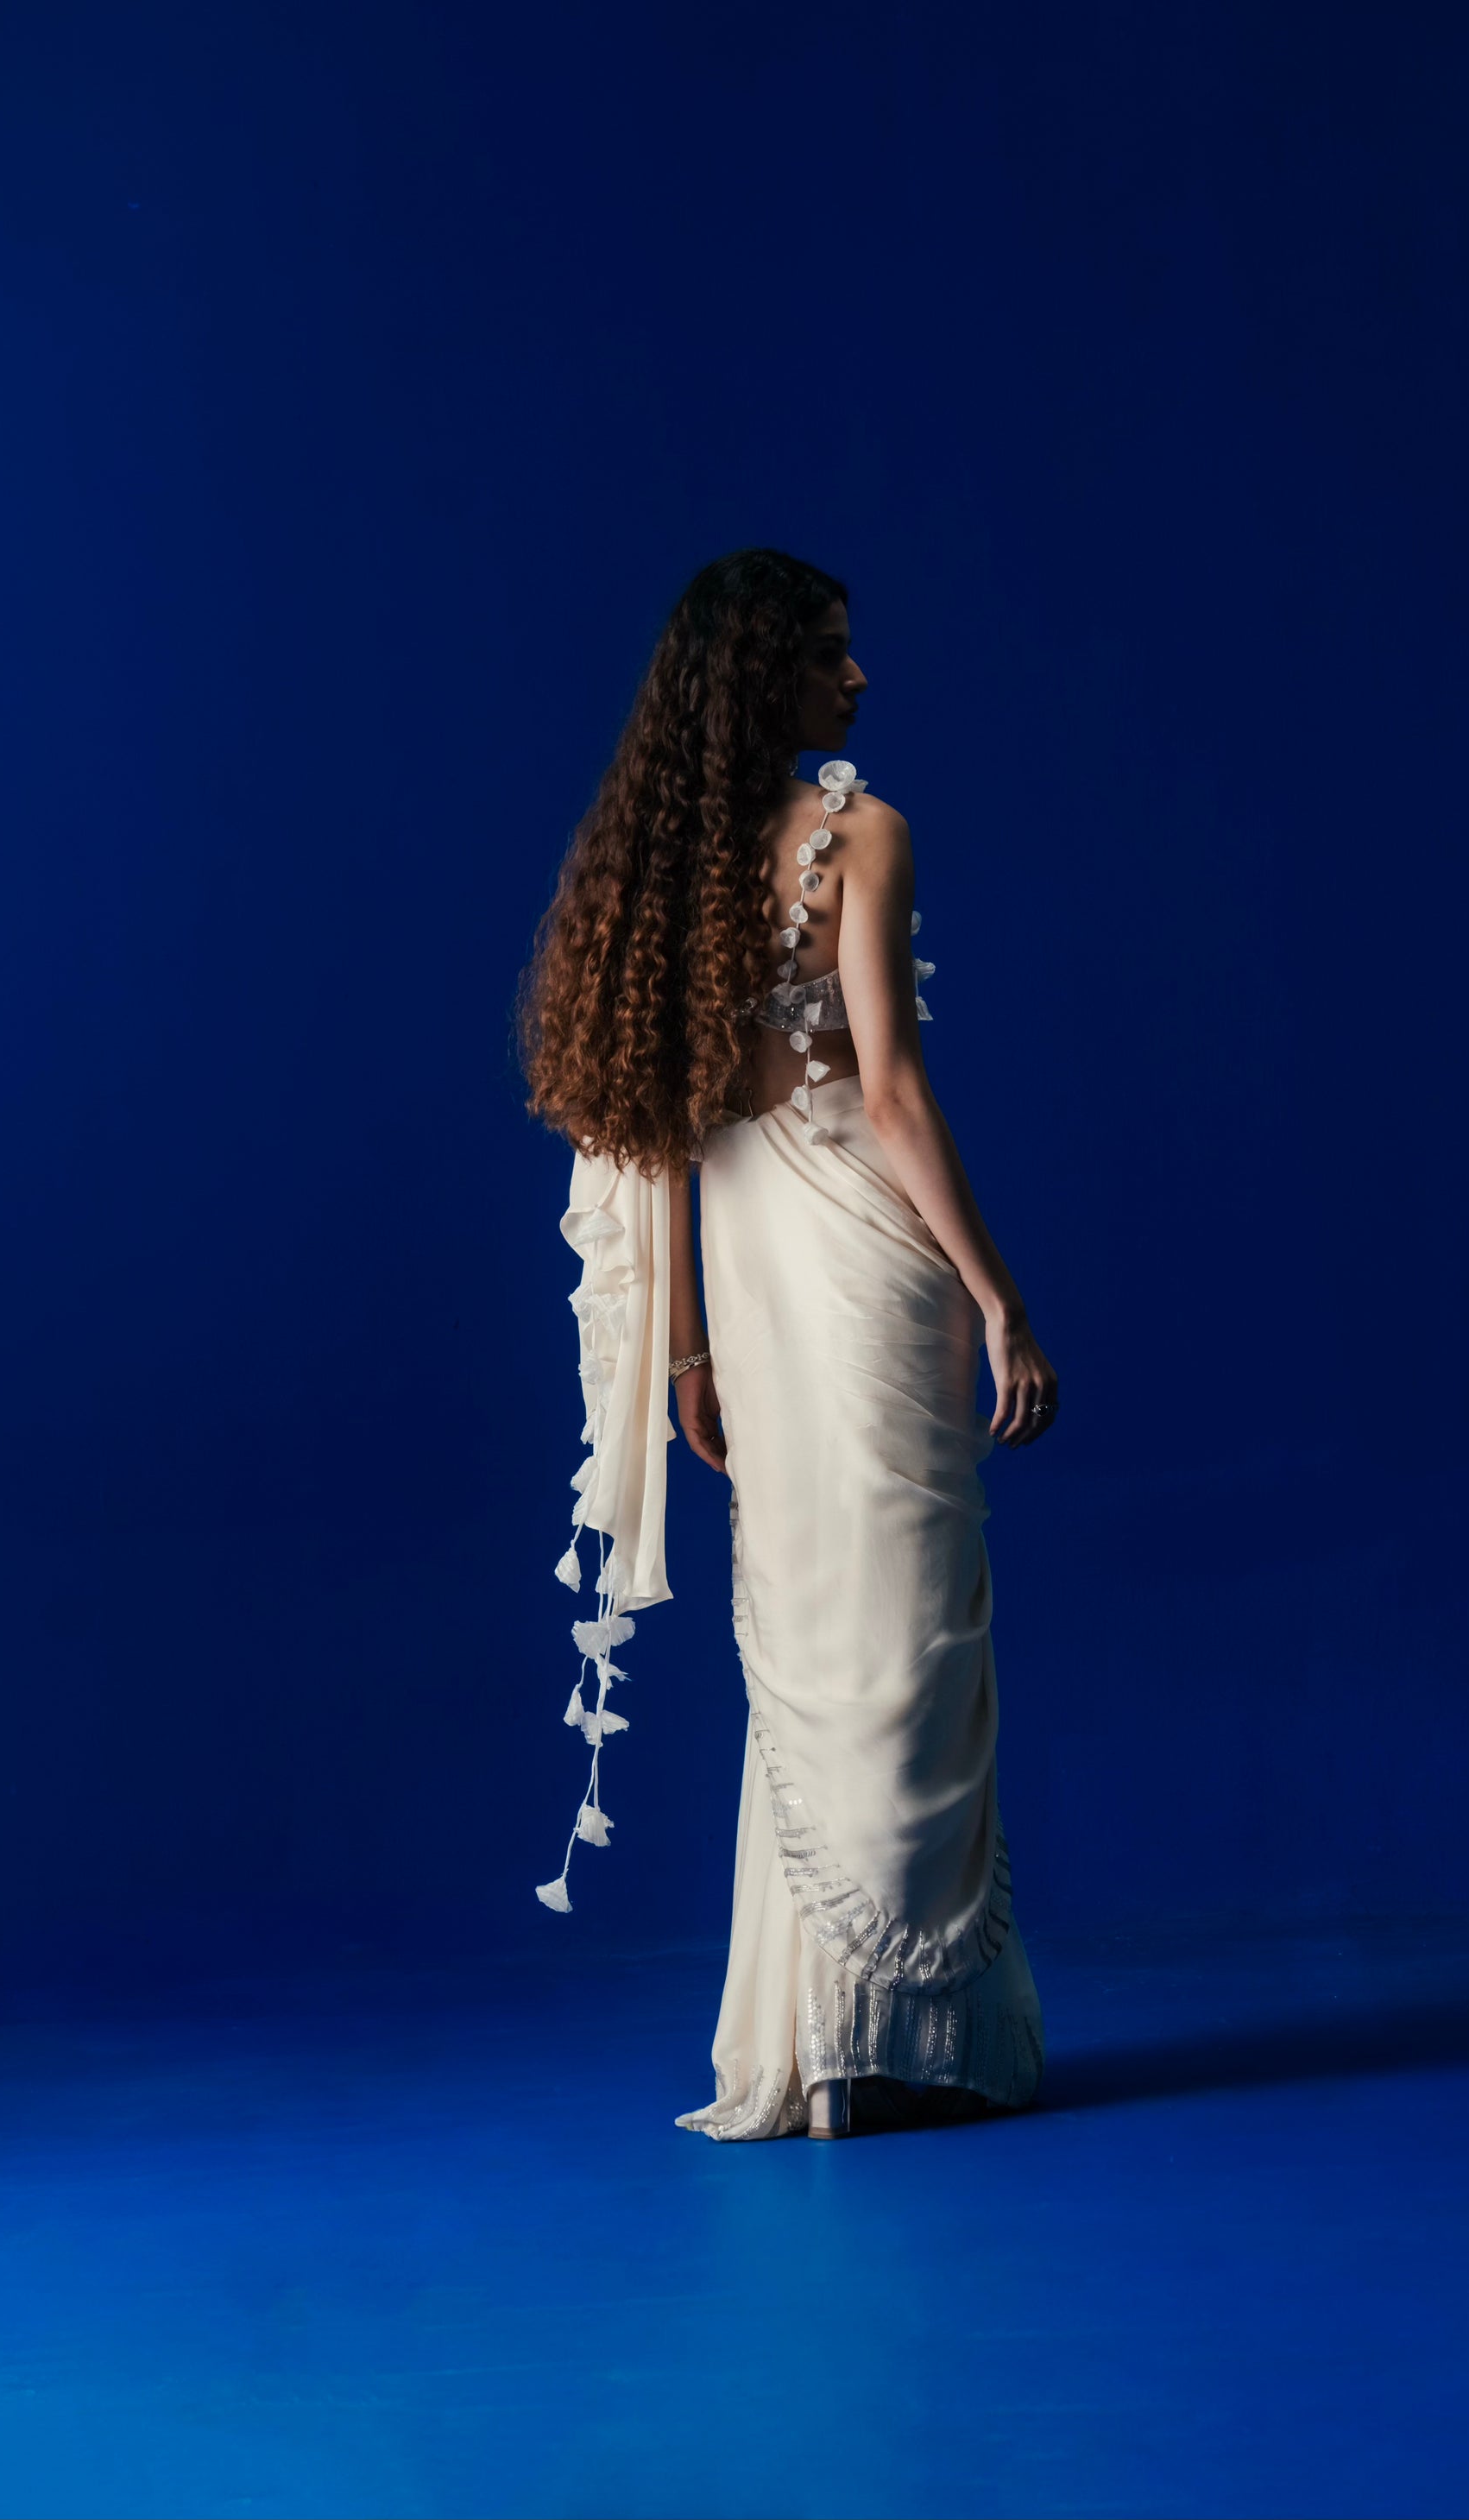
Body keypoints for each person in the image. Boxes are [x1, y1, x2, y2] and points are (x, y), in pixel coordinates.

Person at [518, 549, 1057, 2139]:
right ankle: (895, 2040)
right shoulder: (862, 833)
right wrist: (1000, 1299)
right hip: (856, 1247)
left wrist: (686, 1355)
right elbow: (888, 1092)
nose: (857, 676)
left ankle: (828, 2052)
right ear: (767, 680)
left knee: (821, 1626)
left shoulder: (666, 866)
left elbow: (671, 1138)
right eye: (829, 652)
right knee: (908, 1626)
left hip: (749, 1263)